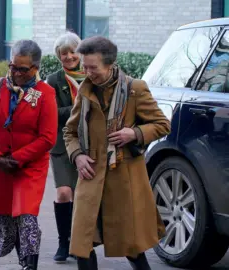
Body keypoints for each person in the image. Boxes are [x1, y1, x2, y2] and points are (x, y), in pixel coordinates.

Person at [62, 36, 171, 270]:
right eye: (85, 66)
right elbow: (70, 132)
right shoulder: (85, 90)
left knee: (132, 248)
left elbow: (163, 124)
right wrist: (78, 156)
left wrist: (134, 133)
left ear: (110, 65)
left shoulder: (135, 89)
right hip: (90, 177)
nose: (87, 72)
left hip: (123, 180)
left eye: (93, 67)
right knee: (82, 245)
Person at [0, 39, 58, 270]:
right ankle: (22, 258)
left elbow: (47, 138)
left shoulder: (44, 93)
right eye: (12, 66)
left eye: (22, 69)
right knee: (8, 217)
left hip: (30, 165)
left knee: (26, 216)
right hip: (1, 163)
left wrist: (17, 158)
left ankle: (29, 265)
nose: (16, 73)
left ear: (35, 68)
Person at [45, 31, 86, 263]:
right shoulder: (54, 80)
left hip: (89, 145)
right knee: (64, 193)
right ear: (58, 56)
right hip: (62, 144)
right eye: (64, 53)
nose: (69, 57)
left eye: (73, 52)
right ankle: (64, 241)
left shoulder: (91, 76)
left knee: (83, 196)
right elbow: (51, 114)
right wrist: (78, 108)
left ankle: (79, 243)